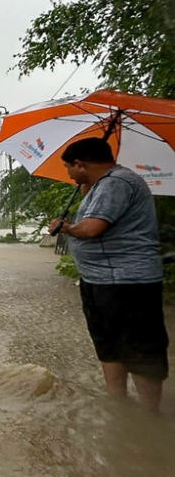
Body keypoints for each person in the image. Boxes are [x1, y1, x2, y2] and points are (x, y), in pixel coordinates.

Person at [50, 137, 169, 414]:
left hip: (127, 283)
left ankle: (150, 416)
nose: (68, 174)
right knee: (109, 345)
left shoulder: (116, 183)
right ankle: (118, 406)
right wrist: (86, 185)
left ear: (80, 165)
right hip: (101, 280)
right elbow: (92, 214)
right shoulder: (102, 185)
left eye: (69, 168)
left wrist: (65, 227)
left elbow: (91, 228)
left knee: (140, 349)